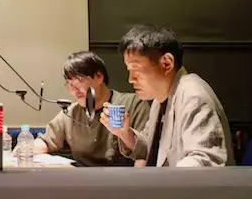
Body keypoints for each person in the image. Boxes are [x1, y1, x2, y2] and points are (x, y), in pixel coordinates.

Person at [101, 24, 234, 167]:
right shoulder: (160, 98)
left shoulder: (193, 95)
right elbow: (151, 149)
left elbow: (205, 160)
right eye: (129, 70)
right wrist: (124, 133)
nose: (131, 79)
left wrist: (163, 180)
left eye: (136, 69)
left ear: (166, 63)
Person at [34, 51, 150, 166]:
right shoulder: (71, 112)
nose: (74, 90)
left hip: (120, 176)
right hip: (80, 176)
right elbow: (46, 141)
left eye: (79, 81)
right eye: (69, 84)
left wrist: (125, 134)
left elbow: (144, 154)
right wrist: (28, 148)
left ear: (99, 77)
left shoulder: (133, 104)